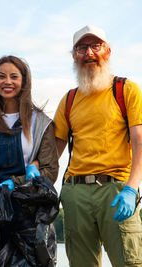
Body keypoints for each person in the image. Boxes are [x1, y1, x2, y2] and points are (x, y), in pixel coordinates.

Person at [54, 25, 142, 267]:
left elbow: (140, 142)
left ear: (108, 51)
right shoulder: (69, 99)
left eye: (96, 46)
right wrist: (36, 179)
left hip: (116, 190)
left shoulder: (126, 90)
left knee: (130, 262)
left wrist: (131, 189)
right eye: (82, 48)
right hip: (75, 192)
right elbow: (53, 152)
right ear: (74, 55)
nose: (89, 53)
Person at [0, 55, 58, 226]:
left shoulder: (41, 123)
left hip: (28, 210)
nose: (7, 81)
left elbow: (50, 171)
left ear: (24, 81)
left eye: (14, 76)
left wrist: (17, 183)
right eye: (1, 76)